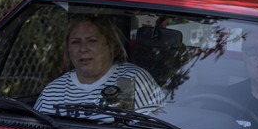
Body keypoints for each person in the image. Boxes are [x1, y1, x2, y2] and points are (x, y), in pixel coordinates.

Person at [34, 16, 165, 113]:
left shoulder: (127, 80)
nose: (83, 49)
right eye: (75, 42)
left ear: (110, 45)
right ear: (67, 49)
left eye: (92, 41)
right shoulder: (54, 91)